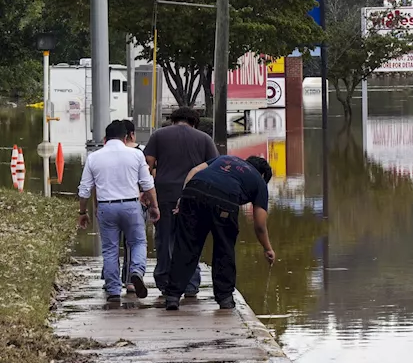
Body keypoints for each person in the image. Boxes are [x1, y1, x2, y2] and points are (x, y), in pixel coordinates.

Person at [164, 154, 276, 311]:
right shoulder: (259, 181)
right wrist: (267, 248)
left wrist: (183, 196)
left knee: (185, 244)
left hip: (193, 190)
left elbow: (195, 170)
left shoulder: (225, 158)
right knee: (224, 248)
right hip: (225, 200)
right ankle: (225, 298)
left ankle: (172, 296)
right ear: (263, 175)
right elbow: (259, 224)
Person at [78, 119, 159, 303]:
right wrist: (154, 206)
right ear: (126, 137)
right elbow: (147, 184)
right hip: (131, 205)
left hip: (106, 207)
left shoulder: (94, 157)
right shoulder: (136, 155)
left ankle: (113, 290)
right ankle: (136, 272)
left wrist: (83, 212)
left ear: (105, 138)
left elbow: (84, 189)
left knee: (110, 249)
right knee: (138, 242)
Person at [143, 107, 217, 296]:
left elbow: (147, 165)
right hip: (194, 195)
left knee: (164, 238)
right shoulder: (204, 139)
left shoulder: (158, 136)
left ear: (173, 120)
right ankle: (191, 284)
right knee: (191, 239)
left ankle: (164, 282)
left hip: (164, 194)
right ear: (194, 122)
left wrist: (144, 193)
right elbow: (214, 168)